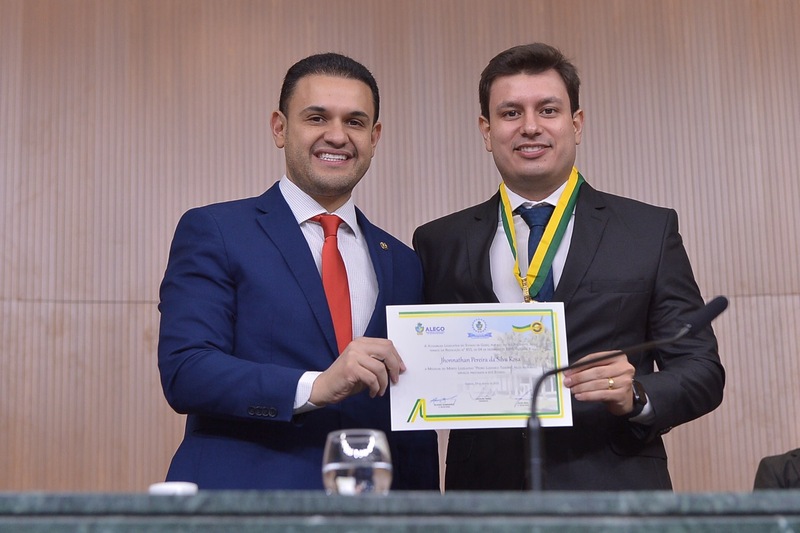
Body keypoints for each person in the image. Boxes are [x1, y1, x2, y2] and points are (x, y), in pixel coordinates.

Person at [413, 43, 725, 491]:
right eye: (510, 113)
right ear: (486, 130)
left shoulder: (647, 231)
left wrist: (636, 394)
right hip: (485, 498)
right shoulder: (438, 242)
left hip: (615, 494)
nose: (530, 127)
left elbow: (702, 369)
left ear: (576, 124)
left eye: (548, 110)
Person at [158, 52, 439, 490]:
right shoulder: (217, 230)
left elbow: (409, 411)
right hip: (247, 505)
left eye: (355, 121)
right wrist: (315, 386)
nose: (337, 136)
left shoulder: (403, 261)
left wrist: (426, 512)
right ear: (280, 128)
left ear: (374, 137)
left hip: (373, 508)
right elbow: (187, 371)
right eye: (317, 117)